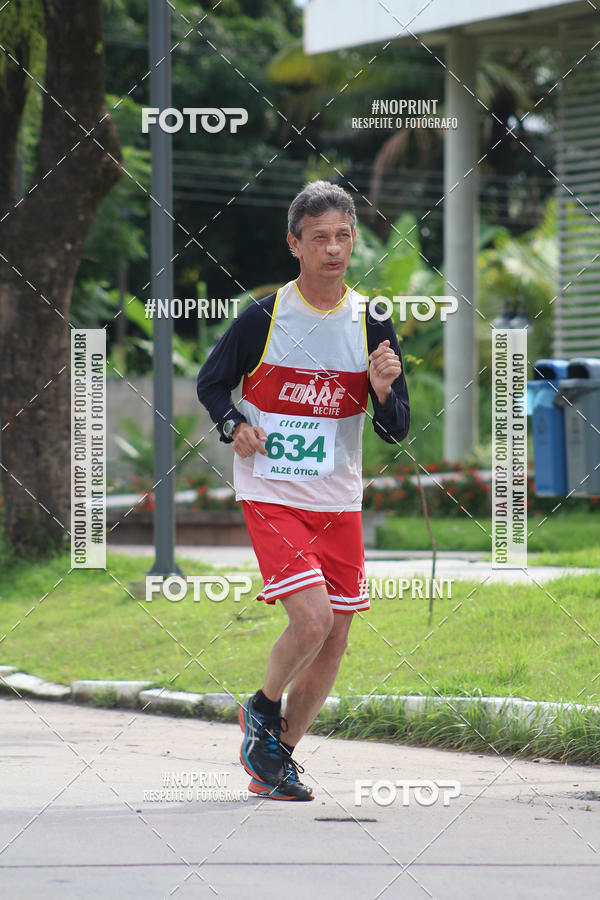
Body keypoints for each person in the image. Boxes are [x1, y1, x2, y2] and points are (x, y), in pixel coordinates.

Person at [197, 180, 410, 801]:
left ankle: (276, 759)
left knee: (337, 634)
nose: (333, 249)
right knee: (313, 619)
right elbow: (213, 383)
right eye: (319, 238)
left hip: (338, 499)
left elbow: (394, 429)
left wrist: (383, 391)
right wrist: (234, 424)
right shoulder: (264, 317)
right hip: (272, 490)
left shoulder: (371, 320)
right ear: (295, 244)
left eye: (343, 236)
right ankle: (262, 707)